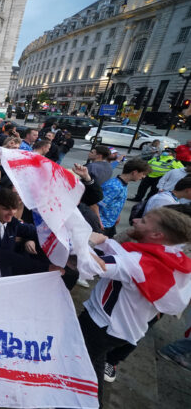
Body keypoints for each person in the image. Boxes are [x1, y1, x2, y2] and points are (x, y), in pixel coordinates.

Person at [80, 207, 191, 404]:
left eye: (145, 221)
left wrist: (90, 241)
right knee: (92, 365)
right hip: (122, 332)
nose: (136, 220)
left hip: (100, 326)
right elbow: (127, 256)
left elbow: (89, 264)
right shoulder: (172, 257)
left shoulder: (136, 263)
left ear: (157, 234)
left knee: (75, 369)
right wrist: (107, 242)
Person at [97, 159, 151, 237]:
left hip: (109, 222)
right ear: (134, 172)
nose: (143, 177)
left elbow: (114, 202)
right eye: (143, 174)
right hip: (102, 224)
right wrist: (98, 221)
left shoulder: (122, 184)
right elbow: (96, 204)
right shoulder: (114, 187)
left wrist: (117, 215)